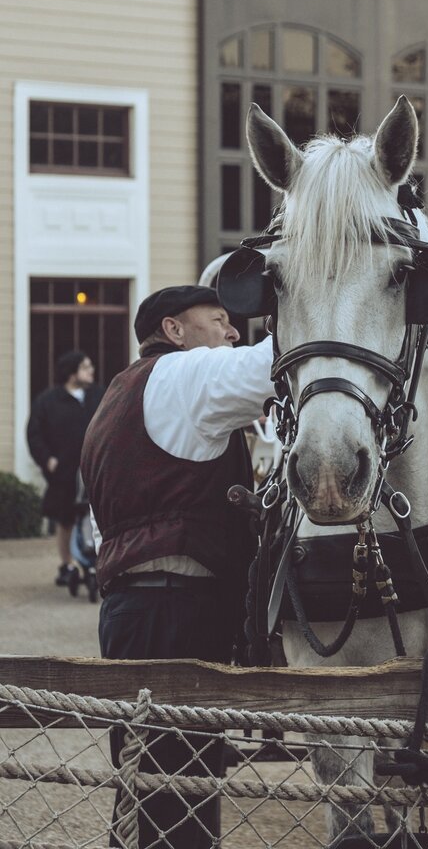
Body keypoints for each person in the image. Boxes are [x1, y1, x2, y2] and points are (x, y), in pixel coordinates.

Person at [80, 284, 274, 849]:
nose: (233, 332)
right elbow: (285, 361)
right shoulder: (187, 375)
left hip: (130, 609)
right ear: (174, 330)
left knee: (143, 788)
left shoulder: (119, 393)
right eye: (220, 320)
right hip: (177, 611)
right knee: (178, 796)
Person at [27, 350, 104, 588]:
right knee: (65, 519)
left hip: (94, 468)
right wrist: (47, 459)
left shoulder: (100, 395)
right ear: (72, 373)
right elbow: (34, 433)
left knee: (97, 518)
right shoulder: (48, 401)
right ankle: (67, 564)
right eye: (85, 366)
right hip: (64, 471)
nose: (91, 370)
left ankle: (96, 563)